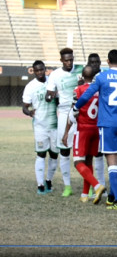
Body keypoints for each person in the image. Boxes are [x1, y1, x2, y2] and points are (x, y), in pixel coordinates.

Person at [74, 49, 117, 210]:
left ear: (107, 61)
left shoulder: (102, 77)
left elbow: (87, 95)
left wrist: (76, 107)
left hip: (108, 123)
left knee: (110, 159)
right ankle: (112, 196)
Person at [62, 66, 106, 203]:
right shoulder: (99, 91)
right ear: (94, 77)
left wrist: (66, 132)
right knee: (88, 160)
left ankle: (97, 186)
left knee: (77, 162)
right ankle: (85, 194)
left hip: (83, 129)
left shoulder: (78, 90)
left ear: (81, 77)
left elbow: (73, 111)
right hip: (95, 129)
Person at [45, 48, 80, 197]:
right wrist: (50, 96)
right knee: (64, 150)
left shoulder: (80, 70)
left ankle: (89, 185)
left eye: (71, 59)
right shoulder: (55, 75)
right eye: (66, 60)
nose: (69, 62)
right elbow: (48, 95)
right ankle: (67, 186)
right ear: (61, 60)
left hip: (80, 112)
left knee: (83, 151)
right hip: (64, 112)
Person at [22, 60, 59, 195]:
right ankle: (40, 185)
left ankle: (49, 180)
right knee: (41, 154)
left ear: (45, 69)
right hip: (40, 126)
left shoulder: (52, 82)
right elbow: (24, 107)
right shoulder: (30, 87)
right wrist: (30, 112)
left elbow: (60, 99)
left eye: (41, 70)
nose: (39, 72)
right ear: (33, 71)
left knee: (54, 154)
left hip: (54, 124)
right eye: (36, 70)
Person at [86, 53, 106, 191]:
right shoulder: (83, 79)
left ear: (100, 63)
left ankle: (101, 185)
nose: (94, 64)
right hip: (86, 123)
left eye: (96, 62)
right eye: (91, 62)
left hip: (101, 121)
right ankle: (92, 185)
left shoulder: (104, 77)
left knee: (99, 154)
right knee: (88, 156)